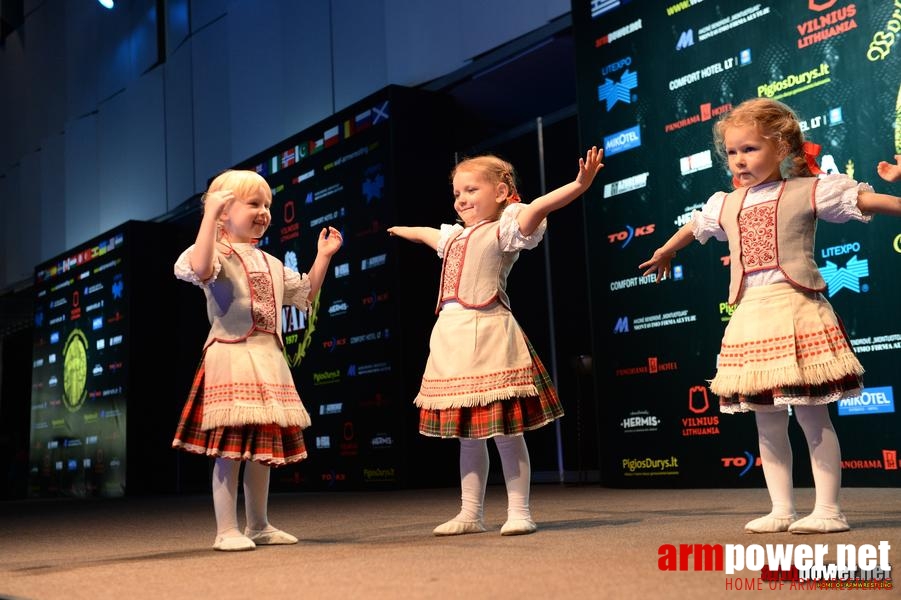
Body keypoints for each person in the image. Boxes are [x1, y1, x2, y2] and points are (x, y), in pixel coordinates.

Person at [639, 98, 901, 535]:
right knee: (767, 418)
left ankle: (829, 509)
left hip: (797, 308)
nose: (739, 160)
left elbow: (870, 202)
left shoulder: (811, 189)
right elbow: (697, 225)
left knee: (813, 416)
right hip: (752, 315)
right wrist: (666, 249)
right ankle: (782, 507)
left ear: (781, 148)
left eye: (750, 149)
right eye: (733, 152)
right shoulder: (725, 202)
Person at [388, 147, 603, 536]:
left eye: (471, 189)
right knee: (468, 435)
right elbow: (429, 235)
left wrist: (577, 185)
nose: (462, 199)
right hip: (451, 339)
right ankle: (470, 513)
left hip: (489, 334)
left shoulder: (504, 228)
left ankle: (519, 510)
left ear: (502, 191)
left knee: (506, 430)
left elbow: (537, 207)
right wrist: (401, 230)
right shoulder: (454, 237)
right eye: (457, 193)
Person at [172, 169, 343, 551]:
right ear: (224, 211)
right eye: (254, 204)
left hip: (267, 359)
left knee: (262, 450)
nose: (264, 212)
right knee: (230, 450)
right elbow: (199, 268)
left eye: (267, 204)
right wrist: (208, 218)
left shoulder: (270, 261)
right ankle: (226, 529)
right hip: (231, 356)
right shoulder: (213, 253)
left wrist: (322, 257)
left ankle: (259, 524)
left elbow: (304, 295)